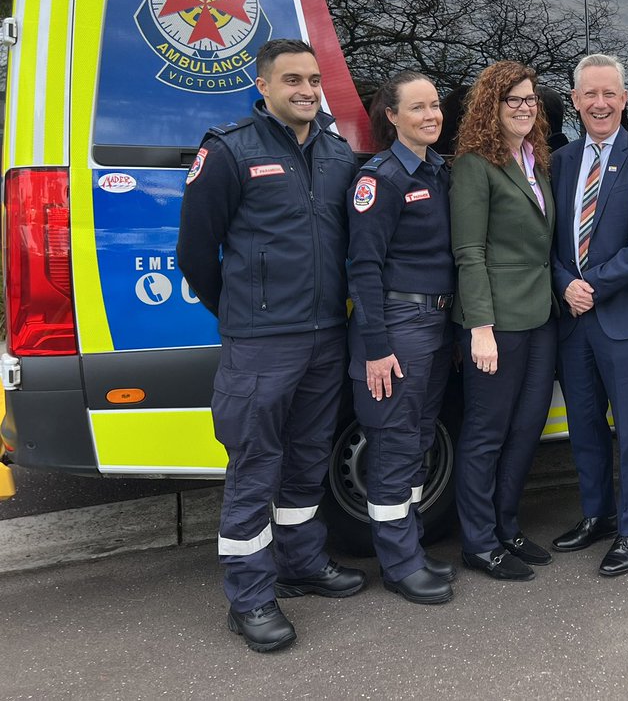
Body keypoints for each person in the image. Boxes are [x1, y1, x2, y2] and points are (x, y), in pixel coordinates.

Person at [177, 38, 366, 654]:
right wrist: (240, 310)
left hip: (325, 335)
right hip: (261, 341)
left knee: (308, 457)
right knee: (255, 465)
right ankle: (251, 597)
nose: (307, 90)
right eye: (292, 80)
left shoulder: (339, 155)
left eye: (314, 79)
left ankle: (302, 564)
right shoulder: (230, 150)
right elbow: (196, 253)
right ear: (263, 86)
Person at [549, 53, 628, 577]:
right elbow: (547, 240)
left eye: (609, 94)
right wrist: (564, 284)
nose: (599, 103)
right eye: (589, 95)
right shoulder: (560, 161)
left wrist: (588, 286)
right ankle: (596, 514)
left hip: (621, 317)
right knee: (583, 425)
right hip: (572, 318)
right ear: (575, 101)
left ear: (625, 100)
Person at [346, 71, 458, 605]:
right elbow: (363, 268)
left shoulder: (437, 171)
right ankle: (398, 565)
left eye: (435, 105)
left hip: (435, 324)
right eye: (417, 108)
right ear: (391, 117)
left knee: (416, 439)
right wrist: (377, 347)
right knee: (393, 443)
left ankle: (408, 547)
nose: (431, 115)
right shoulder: (381, 178)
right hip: (399, 325)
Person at [450, 61, 557, 581]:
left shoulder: (536, 160)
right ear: (490, 105)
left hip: (541, 318)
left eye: (530, 99)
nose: (523, 108)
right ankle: (477, 541)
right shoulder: (475, 164)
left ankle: (506, 526)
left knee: (526, 429)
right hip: (498, 323)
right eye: (512, 99)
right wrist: (481, 328)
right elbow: (469, 252)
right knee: (486, 434)